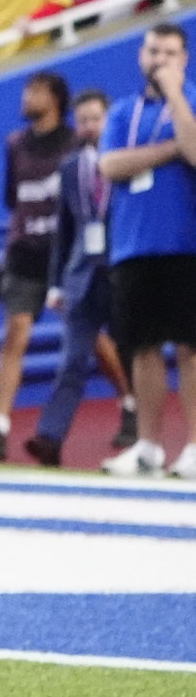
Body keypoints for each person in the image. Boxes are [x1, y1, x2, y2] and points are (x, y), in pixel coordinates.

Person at [97, 23, 196, 477]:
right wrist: (170, 148)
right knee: (143, 347)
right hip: (134, 243)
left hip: (186, 242)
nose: (159, 60)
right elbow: (111, 165)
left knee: (191, 347)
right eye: (153, 50)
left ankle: (194, 447)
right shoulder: (122, 111)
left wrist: (176, 96)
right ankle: (148, 447)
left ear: (185, 59)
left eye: (170, 53)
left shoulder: (191, 100)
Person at [23, 89, 139, 467]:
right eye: (83, 119)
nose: (90, 125)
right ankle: (50, 437)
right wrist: (56, 283)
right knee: (72, 360)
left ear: (109, 120)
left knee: (132, 355)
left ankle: (137, 421)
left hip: (122, 273)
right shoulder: (72, 167)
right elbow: (66, 230)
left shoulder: (126, 162)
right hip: (82, 277)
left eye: (96, 118)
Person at [0, 72, 74, 461]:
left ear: (56, 99)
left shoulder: (73, 146)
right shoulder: (15, 145)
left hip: (66, 255)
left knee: (91, 338)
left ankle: (129, 401)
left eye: (36, 92)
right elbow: (14, 199)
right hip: (24, 254)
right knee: (15, 334)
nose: (27, 97)